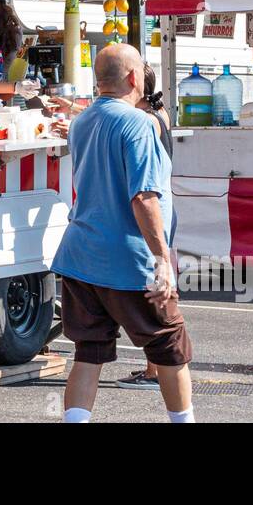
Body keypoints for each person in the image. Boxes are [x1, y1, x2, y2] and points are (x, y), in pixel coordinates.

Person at [52, 43, 195, 424]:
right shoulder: (138, 123)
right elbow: (144, 197)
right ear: (134, 78)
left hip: (82, 256)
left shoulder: (82, 121)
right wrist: (163, 260)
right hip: (129, 259)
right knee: (170, 348)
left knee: (88, 351)